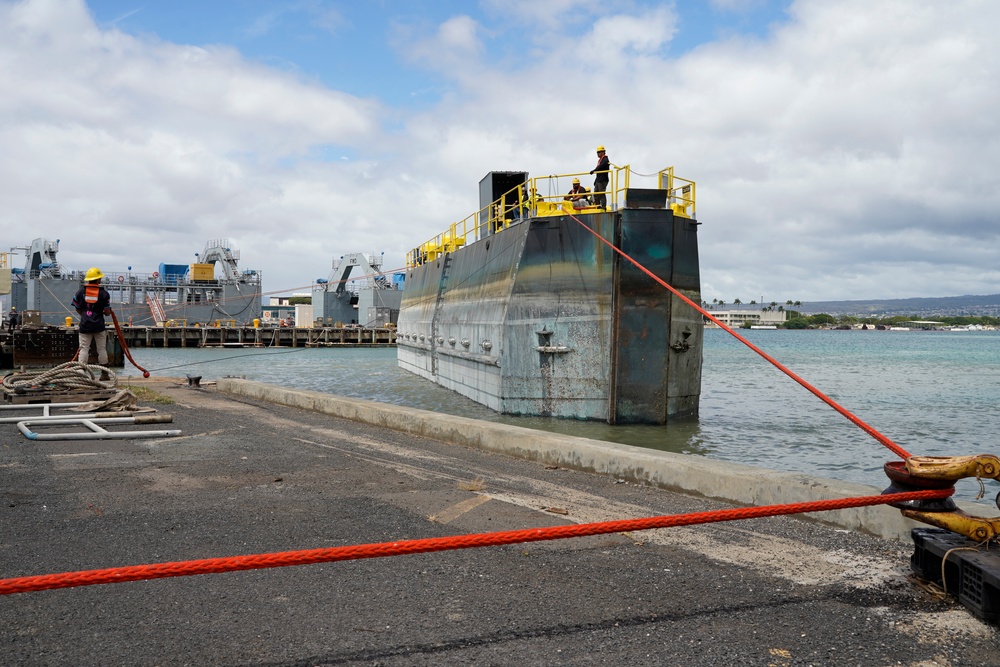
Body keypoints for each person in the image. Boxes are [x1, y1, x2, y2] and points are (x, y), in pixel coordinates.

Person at [71, 267, 113, 373]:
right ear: (98, 279)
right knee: (101, 349)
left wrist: (85, 314)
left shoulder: (80, 292)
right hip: (99, 325)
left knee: (84, 348)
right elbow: (107, 312)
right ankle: (104, 374)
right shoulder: (104, 294)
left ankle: (81, 371)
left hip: (85, 324)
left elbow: (77, 307)